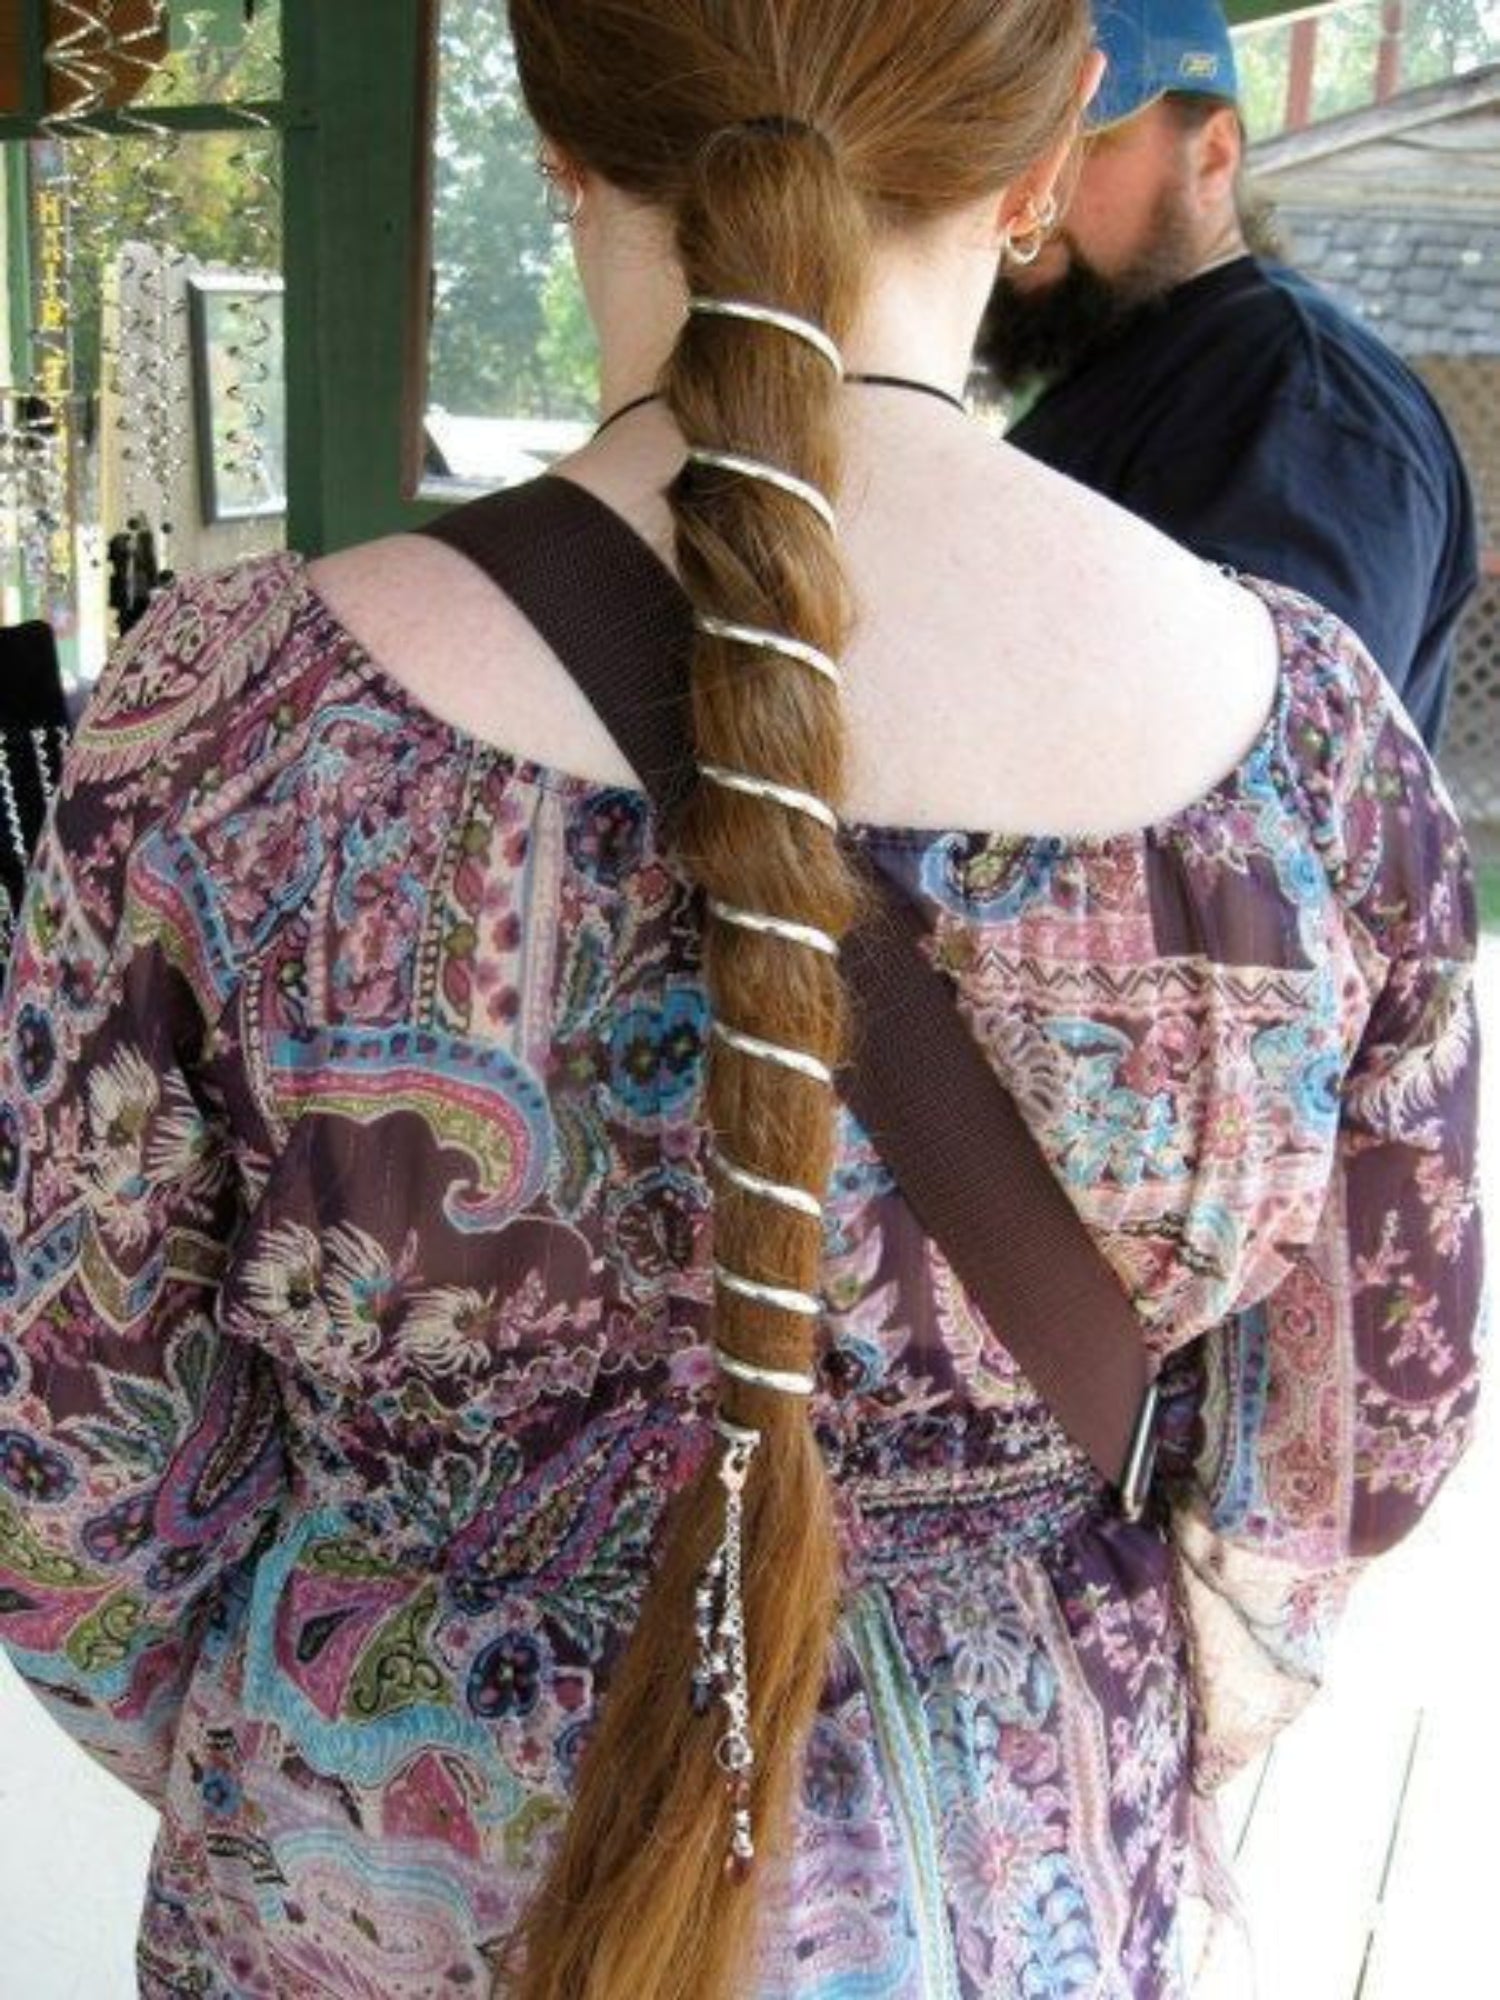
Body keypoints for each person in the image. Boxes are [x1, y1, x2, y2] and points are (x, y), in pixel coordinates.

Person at [0, 4, 1483, 1996]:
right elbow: (1348, 1456)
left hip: (364, 1878)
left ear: (567, 146)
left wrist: (346, 1737)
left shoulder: (228, 727)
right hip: (1010, 1877)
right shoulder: (1310, 753)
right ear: (1043, 156)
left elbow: (78, 1486)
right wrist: (1046, 1719)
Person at [979, 0, 1480, 752]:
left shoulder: (1303, 402)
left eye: (1083, 143)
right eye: (1006, 148)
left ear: (1212, 156)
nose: (1032, 187)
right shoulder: (1148, 364)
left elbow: (1264, 803)